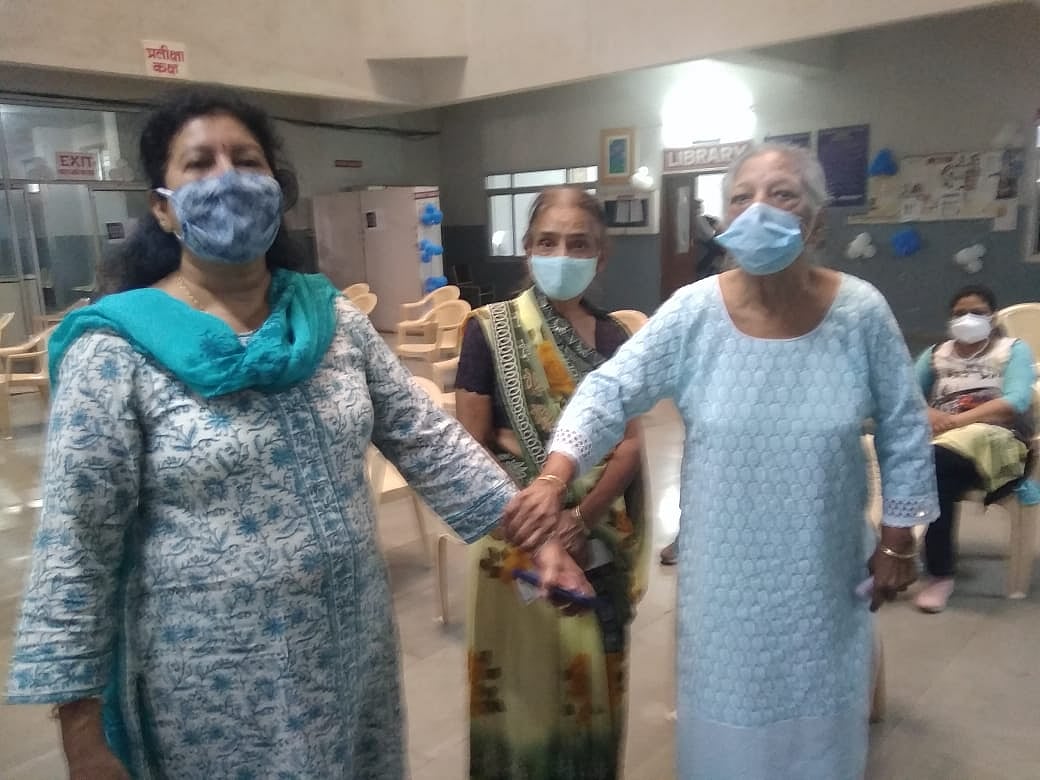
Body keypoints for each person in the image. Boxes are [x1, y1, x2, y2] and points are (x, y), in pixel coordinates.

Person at [6, 86, 585, 780]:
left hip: (347, 660)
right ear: (162, 205)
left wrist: (535, 531)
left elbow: (429, 441)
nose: (228, 178)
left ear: (277, 189)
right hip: (206, 693)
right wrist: (82, 732)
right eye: (199, 164)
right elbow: (77, 547)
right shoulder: (118, 349)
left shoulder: (330, 321)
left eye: (246, 160)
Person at [503, 143, 939, 779]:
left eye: (782, 194)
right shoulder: (693, 313)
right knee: (726, 736)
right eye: (742, 197)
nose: (758, 209)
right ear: (725, 218)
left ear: (815, 222)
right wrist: (554, 474)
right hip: (724, 584)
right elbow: (609, 390)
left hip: (822, 567)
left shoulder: (860, 311)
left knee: (817, 733)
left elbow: (904, 423)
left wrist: (899, 539)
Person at [455, 186, 648, 779]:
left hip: (597, 535)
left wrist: (582, 517)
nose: (562, 253)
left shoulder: (615, 337)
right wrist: (541, 525)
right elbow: (473, 447)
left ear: (601, 256)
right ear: (527, 251)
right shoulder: (488, 330)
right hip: (514, 535)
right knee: (521, 692)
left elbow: (632, 442)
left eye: (578, 243)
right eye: (547, 241)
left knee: (594, 688)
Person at [914, 284, 1036, 612]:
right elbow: (906, 395)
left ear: (993, 317)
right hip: (942, 446)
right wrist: (934, 414)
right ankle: (911, 560)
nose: (968, 318)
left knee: (932, 464)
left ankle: (937, 572)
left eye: (978, 312)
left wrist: (957, 421)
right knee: (927, 464)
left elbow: (1015, 401)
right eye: (959, 313)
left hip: (998, 442)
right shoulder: (936, 354)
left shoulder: (1012, 350)